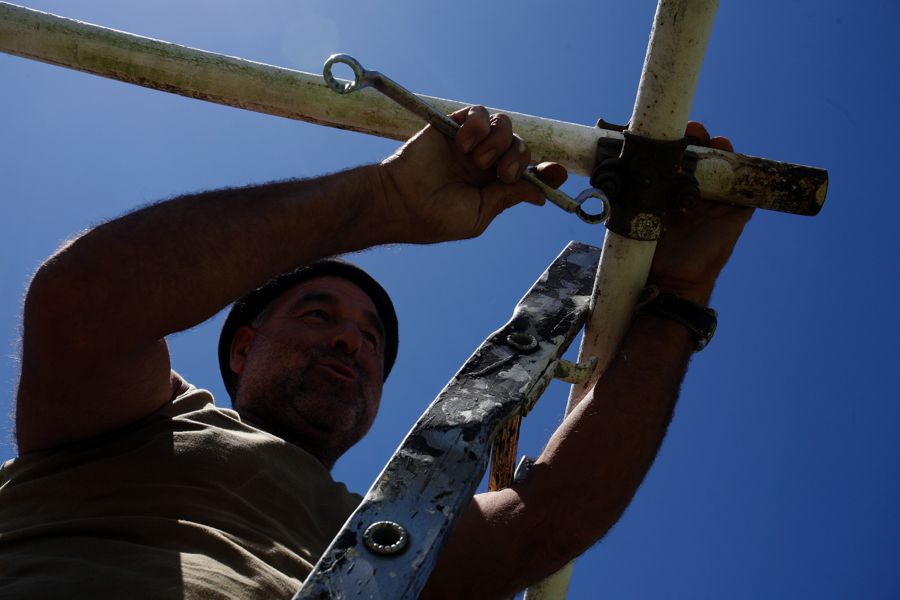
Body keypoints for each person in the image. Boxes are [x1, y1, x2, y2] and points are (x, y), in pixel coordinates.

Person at [0, 105, 751, 599]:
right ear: (242, 348)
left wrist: (680, 295)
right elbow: (82, 306)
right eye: (319, 313)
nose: (348, 342)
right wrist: (384, 203)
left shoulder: (390, 531)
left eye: (371, 341)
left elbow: (542, 521)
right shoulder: (143, 423)